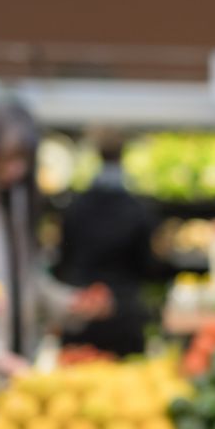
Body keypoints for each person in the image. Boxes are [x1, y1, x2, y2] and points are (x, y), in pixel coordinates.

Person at [0, 102, 112, 423]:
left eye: (23, 160)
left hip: (12, 381)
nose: (17, 170)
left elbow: (23, 279)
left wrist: (68, 304)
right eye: (8, 158)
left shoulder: (14, 198)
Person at [56, 127, 155, 356]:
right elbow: (147, 266)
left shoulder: (74, 207)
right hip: (123, 314)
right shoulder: (138, 210)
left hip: (81, 312)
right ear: (124, 156)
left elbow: (63, 260)